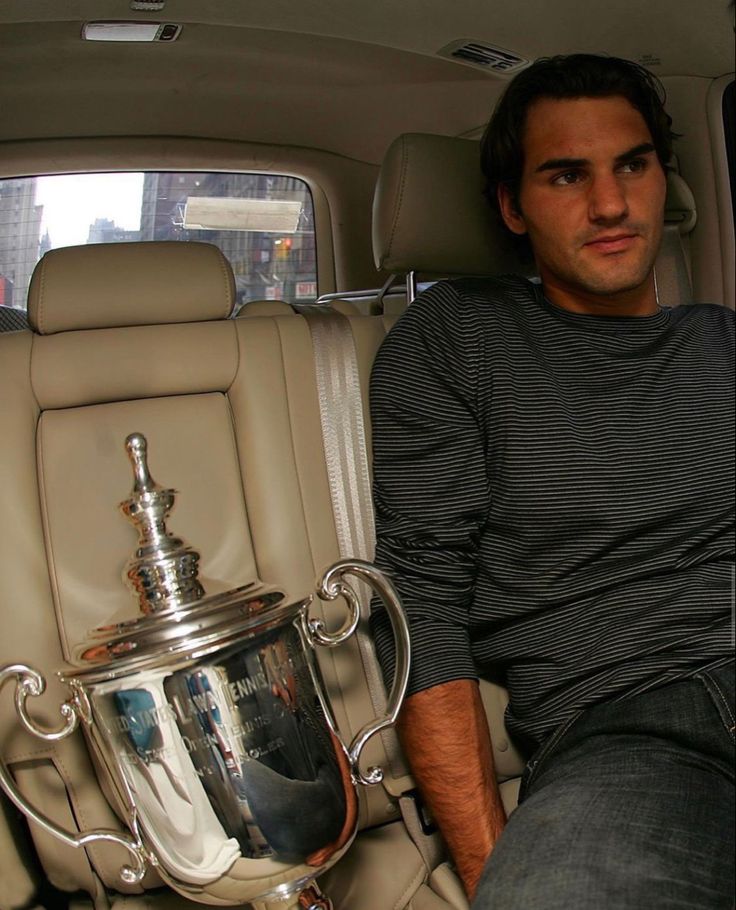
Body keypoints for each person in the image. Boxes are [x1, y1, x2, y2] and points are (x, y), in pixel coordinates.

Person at [369, 54, 734, 909]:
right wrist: (500, 874)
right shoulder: (454, 340)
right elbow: (422, 609)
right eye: (567, 176)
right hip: (627, 726)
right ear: (512, 206)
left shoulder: (722, 341)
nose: (610, 204)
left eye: (632, 166)